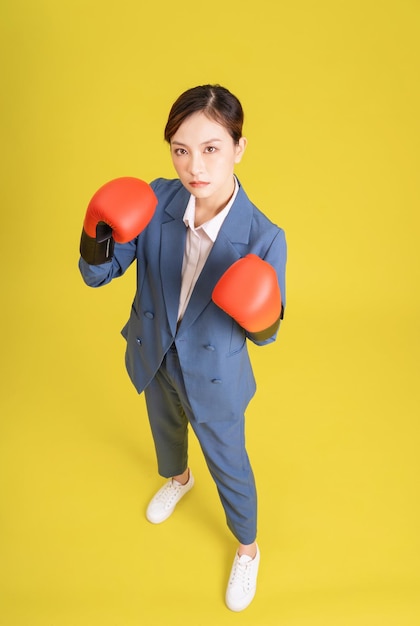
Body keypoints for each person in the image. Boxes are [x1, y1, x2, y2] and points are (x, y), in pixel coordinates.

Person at [78, 84, 287, 612]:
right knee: (164, 431)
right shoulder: (156, 198)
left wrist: (261, 311)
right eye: (180, 149)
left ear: (239, 148)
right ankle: (178, 478)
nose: (194, 166)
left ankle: (248, 548)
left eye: (212, 148)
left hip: (215, 379)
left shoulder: (265, 237)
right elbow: (99, 275)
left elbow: (266, 333)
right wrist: (95, 235)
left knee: (230, 464)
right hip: (156, 355)